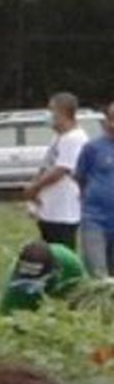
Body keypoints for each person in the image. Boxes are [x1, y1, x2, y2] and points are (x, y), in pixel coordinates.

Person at [22, 93, 89, 249]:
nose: (48, 115)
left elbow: (60, 170)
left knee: (62, 255)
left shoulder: (75, 139)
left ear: (63, 113)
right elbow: (46, 166)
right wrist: (34, 191)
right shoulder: (59, 137)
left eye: (51, 110)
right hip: (49, 209)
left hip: (64, 212)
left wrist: (35, 187)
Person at [74, 101, 114, 279]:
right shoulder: (92, 148)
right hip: (95, 220)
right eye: (111, 119)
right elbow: (80, 178)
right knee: (99, 274)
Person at [0, 240, 88, 315]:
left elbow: (84, 295)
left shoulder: (71, 263)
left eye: (35, 279)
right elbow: (7, 312)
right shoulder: (17, 282)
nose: (31, 283)